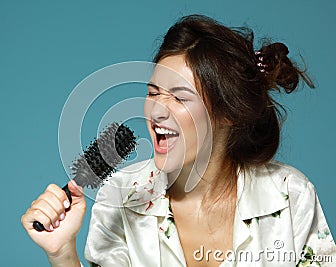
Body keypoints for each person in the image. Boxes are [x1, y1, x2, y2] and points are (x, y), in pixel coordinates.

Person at [21, 15, 335, 266]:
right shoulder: (120, 196)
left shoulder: (290, 195)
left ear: (228, 112)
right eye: (153, 92)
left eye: (180, 97)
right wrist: (62, 254)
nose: (157, 109)